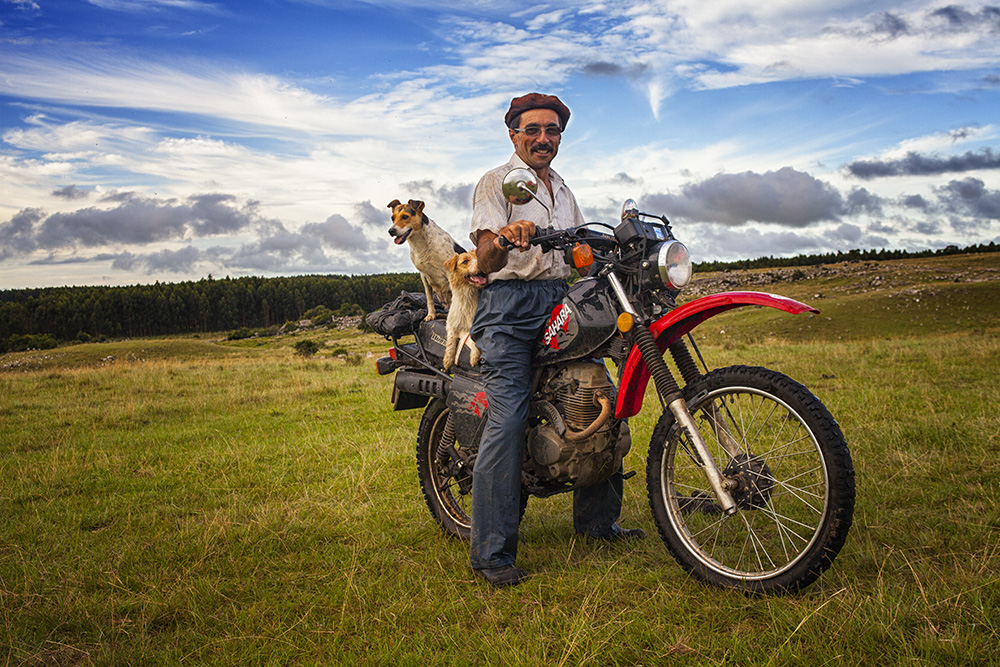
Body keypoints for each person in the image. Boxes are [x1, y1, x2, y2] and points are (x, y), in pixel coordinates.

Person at [468, 93, 644, 588]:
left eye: (553, 131)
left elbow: (579, 248)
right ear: (513, 134)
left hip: (557, 299)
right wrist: (505, 235)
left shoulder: (563, 189)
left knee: (600, 396)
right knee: (510, 415)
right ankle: (492, 554)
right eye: (533, 130)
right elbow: (482, 257)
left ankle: (596, 523)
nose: (544, 138)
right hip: (507, 310)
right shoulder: (497, 182)